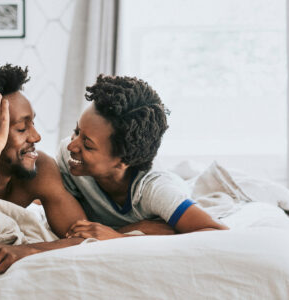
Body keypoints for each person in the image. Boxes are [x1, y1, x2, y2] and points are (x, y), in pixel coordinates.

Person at [0, 64, 172, 274]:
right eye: (22, 128)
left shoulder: (40, 169)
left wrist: (29, 250)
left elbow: (82, 236)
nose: (36, 137)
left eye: (32, 123)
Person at [56, 74, 228, 241]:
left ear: (124, 160)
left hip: (172, 187)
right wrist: (139, 228)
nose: (72, 145)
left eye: (87, 145)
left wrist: (120, 237)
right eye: (77, 131)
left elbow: (218, 233)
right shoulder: (68, 157)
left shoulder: (156, 190)